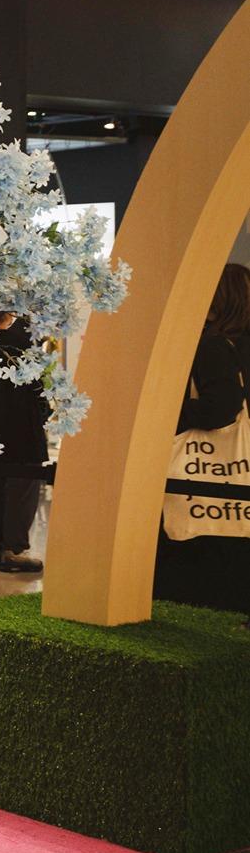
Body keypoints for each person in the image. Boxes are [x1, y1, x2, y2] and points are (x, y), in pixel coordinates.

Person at [156, 262, 250, 614]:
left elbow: (220, 408)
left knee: (203, 570)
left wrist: (170, 414)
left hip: (206, 474)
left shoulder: (212, 345)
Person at [0, 296, 51, 573]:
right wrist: (44, 410)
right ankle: (14, 551)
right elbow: (36, 385)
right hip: (22, 425)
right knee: (22, 485)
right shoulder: (25, 339)